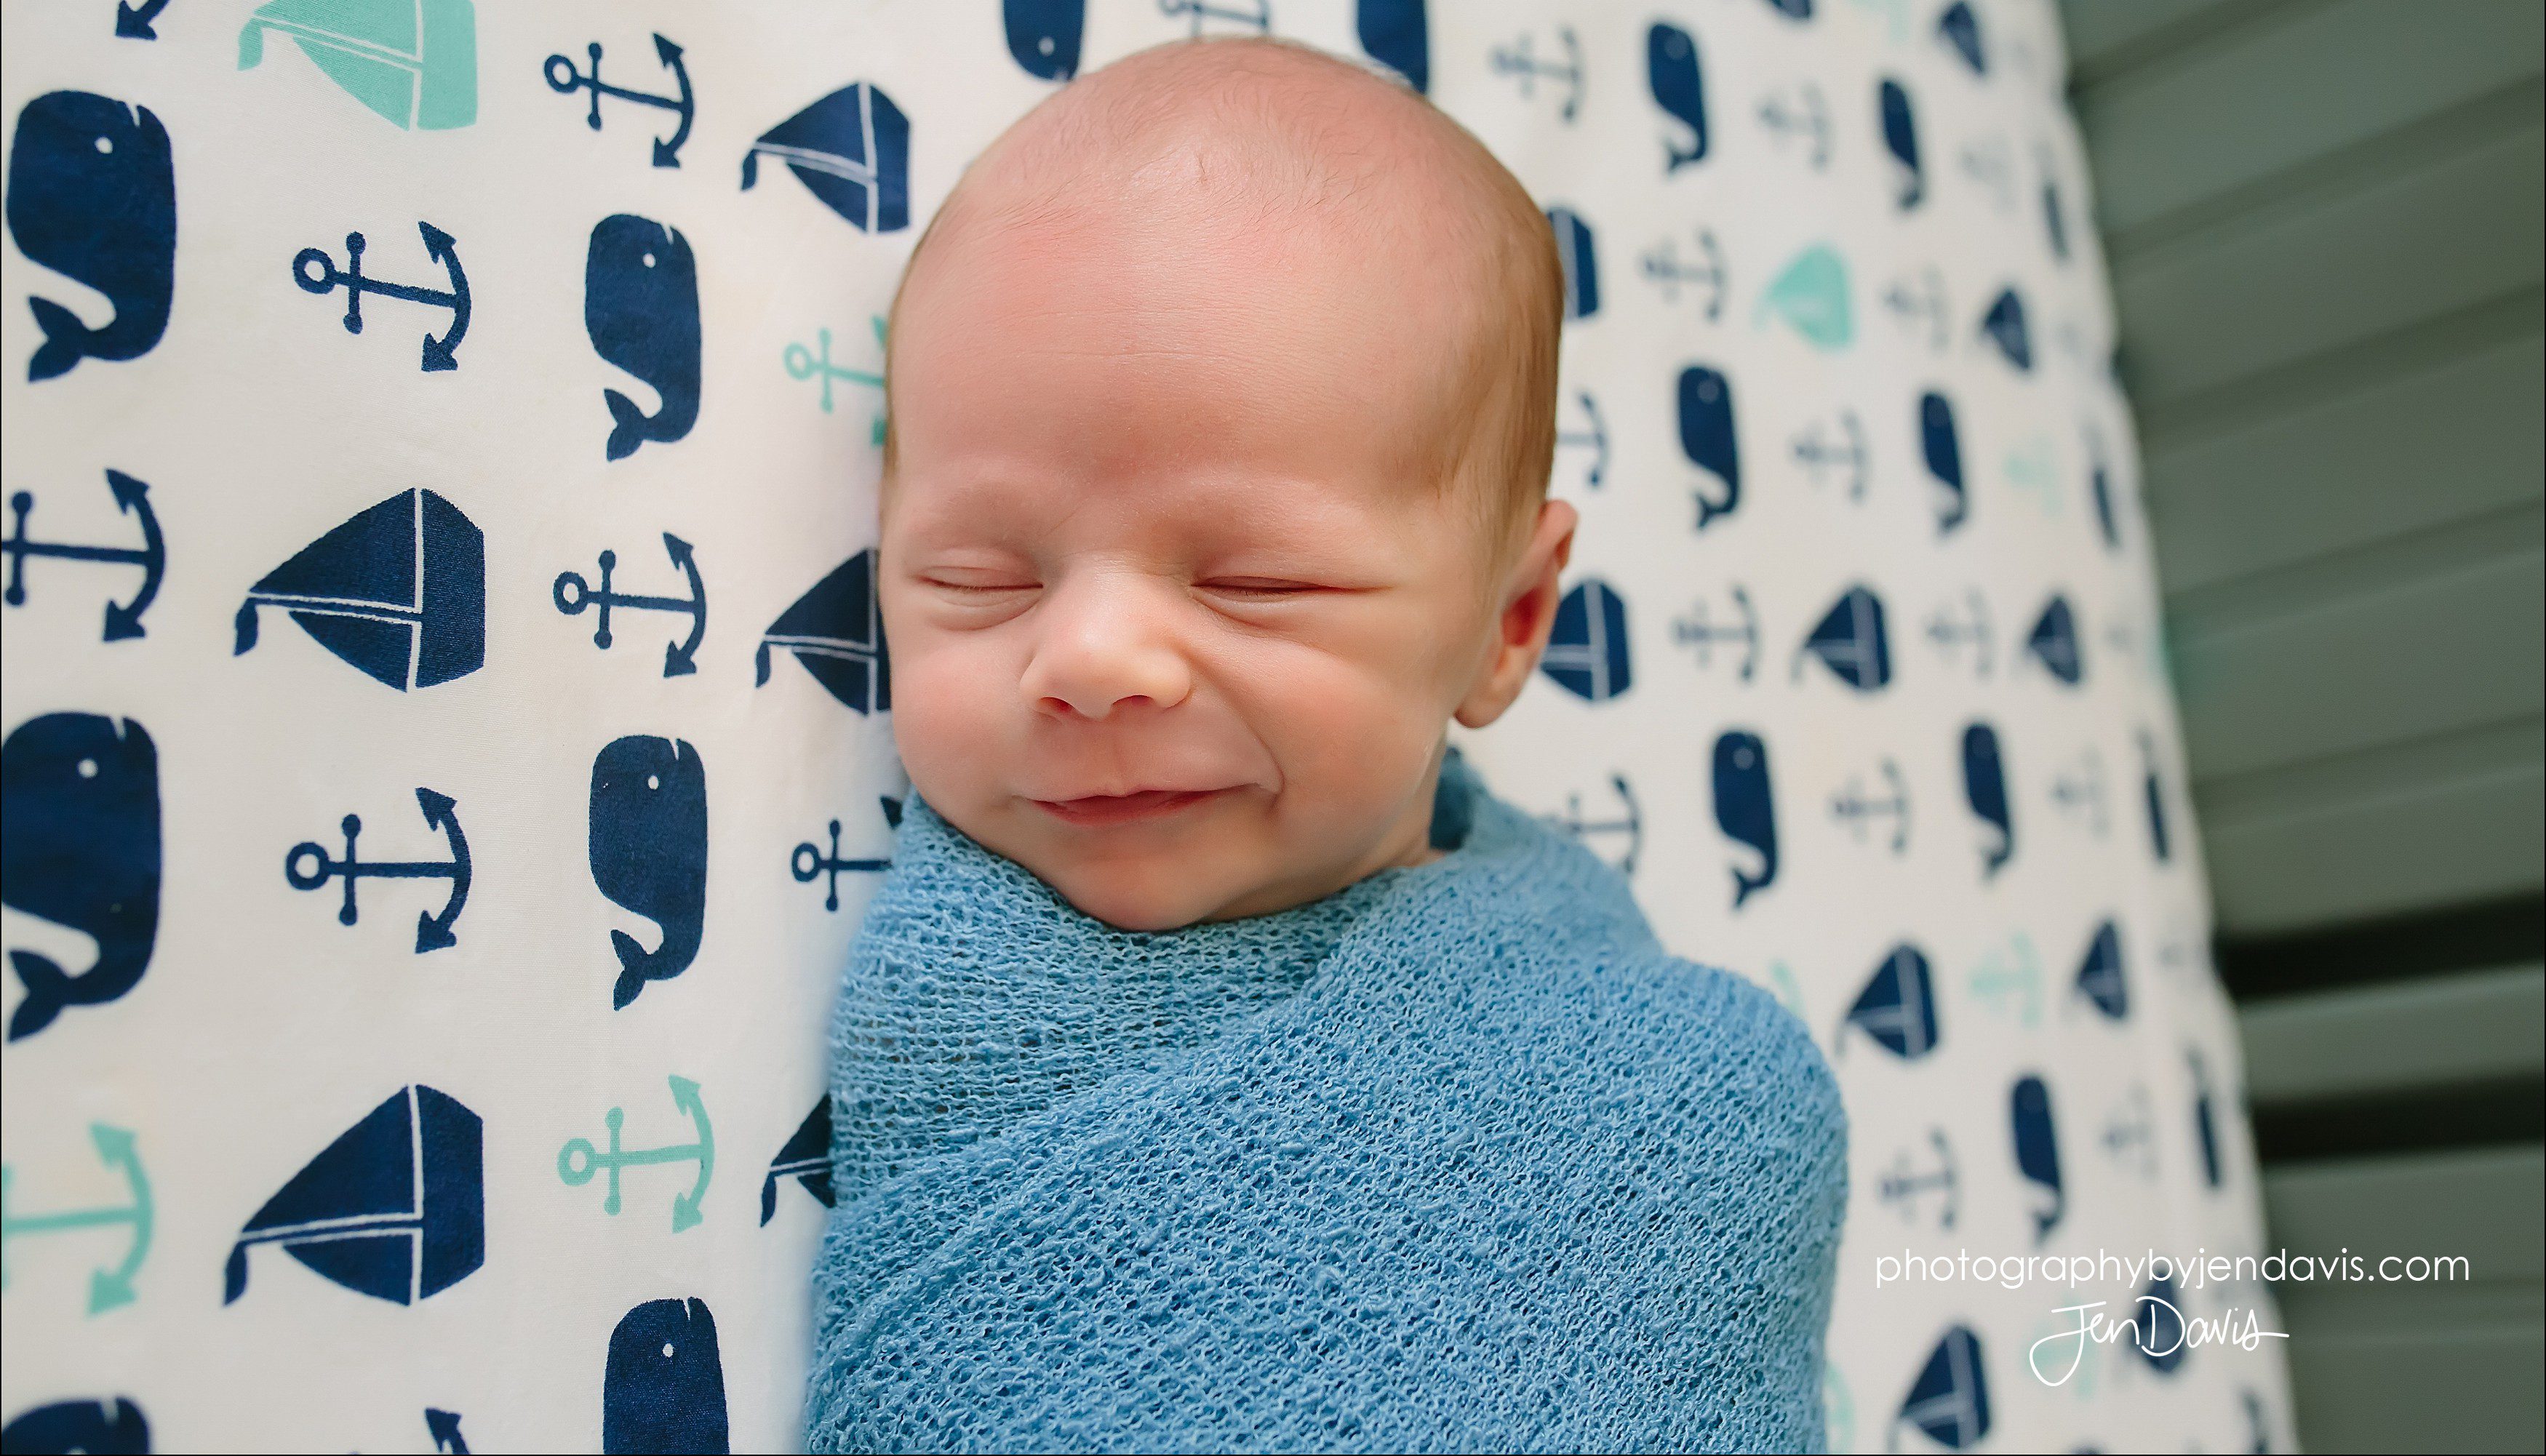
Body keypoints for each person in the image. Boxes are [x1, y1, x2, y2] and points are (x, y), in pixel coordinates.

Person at [807, 36, 1845, 1453]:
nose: (1090, 660)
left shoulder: (1644, 1071)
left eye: (1254, 580)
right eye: (980, 579)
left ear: (1508, 623)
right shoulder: (960, 1000)